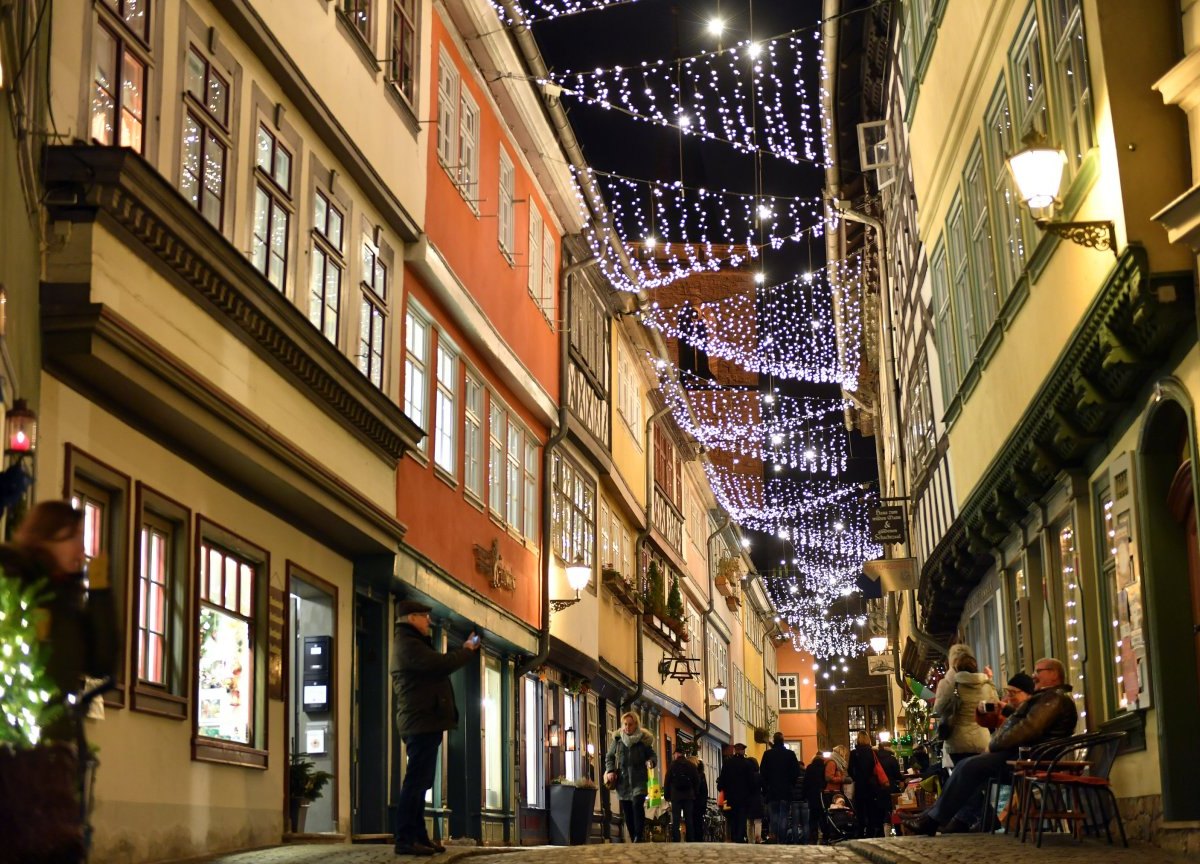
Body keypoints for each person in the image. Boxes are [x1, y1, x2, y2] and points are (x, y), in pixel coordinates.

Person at [903, 657, 1078, 835]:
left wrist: (995, 745)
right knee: (966, 767)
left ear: (1053, 674)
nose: (1034, 675)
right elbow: (1027, 722)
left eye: (1038, 671)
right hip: (1026, 756)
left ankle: (934, 821)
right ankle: (938, 818)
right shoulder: (1048, 698)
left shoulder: (1053, 699)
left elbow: (1028, 728)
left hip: (1030, 758)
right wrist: (1008, 712)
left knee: (969, 767)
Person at [0, 501, 118, 742]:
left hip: (57, 741)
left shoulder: (68, 600)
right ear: (46, 538)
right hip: (12, 739)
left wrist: (100, 595)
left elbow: (101, 663)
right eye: (73, 538)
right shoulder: (12, 582)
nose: (81, 548)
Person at [391, 599, 480, 856]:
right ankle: (405, 839)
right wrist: (466, 650)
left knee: (421, 782)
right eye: (423, 616)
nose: (428, 620)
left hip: (425, 721)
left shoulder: (413, 643)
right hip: (419, 721)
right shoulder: (408, 645)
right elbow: (440, 664)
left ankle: (418, 835)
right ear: (411, 618)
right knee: (416, 782)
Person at [933, 644, 997, 763]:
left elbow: (939, 709)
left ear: (955, 665)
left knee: (962, 776)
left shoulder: (950, 685)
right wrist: (990, 679)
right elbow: (995, 706)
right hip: (982, 739)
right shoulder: (986, 685)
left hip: (957, 741)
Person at [605, 711, 657, 843]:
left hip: (639, 779)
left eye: (630, 724)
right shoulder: (618, 740)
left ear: (636, 725)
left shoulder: (643, 741)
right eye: (625, 724)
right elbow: (609, 757)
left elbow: (652, 755)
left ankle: (638, 837)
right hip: (623, 781)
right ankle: (634, 834)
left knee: (637, 805)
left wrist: (651, 762)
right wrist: (610, 770)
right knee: (627, 810)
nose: (627, 727)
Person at [760, 731, 799, 842]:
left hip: (772, 791)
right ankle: (782, 839)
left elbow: (762, 773)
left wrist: (766, 787)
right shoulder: (790, 754)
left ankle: (774, 837)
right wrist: (791, 785)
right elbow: (796, 772)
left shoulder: (767, 754)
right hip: (786, 791)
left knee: (774, 817)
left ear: (774, 741)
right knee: (784, 816)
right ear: (783, 741)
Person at [716, 742, 756, 842]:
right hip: (743, 798)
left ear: (735, 750)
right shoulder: (748, 764)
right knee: (742, 817)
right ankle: (740, 836)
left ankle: (734, 836)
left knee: (732, 817)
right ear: (743, 751)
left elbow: (722, 779)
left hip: (730, 797)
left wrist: (721, 787)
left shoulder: (727, 763)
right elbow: (751, 781)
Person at [848, 731, 885, 837]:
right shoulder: (873, 752)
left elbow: (850, 769)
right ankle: (870, 832)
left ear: (858, 739)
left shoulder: (854, 753)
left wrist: (856, 778)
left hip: (860, 785)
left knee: (860, 810)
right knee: (871, 810)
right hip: (872, 785)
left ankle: (860, 832)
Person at [663, 747, 701, 841]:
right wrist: (695, 793)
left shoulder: (672, 765)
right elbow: (696, 780)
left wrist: (667, 795)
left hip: (676, 796)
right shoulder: (691, 765)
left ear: (676, 754)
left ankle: (676, 839)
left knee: (676, 819)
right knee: (689, 819)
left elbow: (667, 781)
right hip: (688, 796)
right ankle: (690, 839)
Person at [802, 753, 826, 843]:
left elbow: (806, 782)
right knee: (823, 815)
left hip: (812, 796)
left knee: (813, 817)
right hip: (822, 795)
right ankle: (825, 834)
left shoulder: (810, 767)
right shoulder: (824, 767)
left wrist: (804, 795)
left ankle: (813, 834)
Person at [691, 758, 709, 842]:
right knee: (698, 822)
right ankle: (698, 839)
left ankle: (693, 838)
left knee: (692, 822)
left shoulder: (694, 776)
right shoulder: (702, 775)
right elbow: (705, 791)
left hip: (693, 802)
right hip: (700, 803)